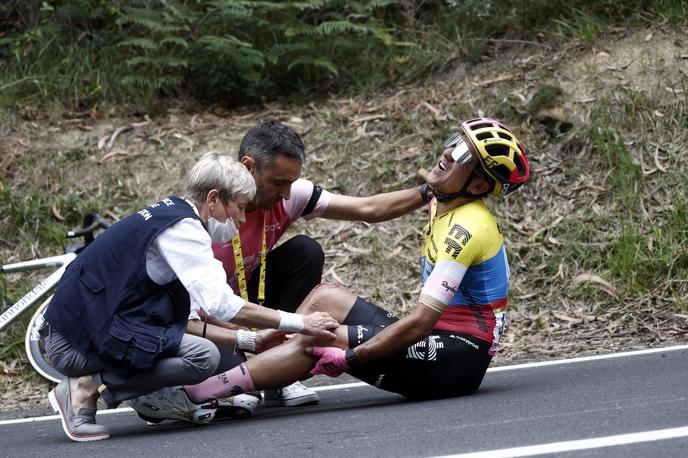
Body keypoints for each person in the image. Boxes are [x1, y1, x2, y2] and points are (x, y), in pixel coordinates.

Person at [156, 117, 530, 406]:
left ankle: (197, 393)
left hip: (458, 357)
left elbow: (419, 319)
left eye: (461, 155)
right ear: (248, 168)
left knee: (317, 334)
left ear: (478, 187)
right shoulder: (200, 219)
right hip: (202, 318)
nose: (448, 153)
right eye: (452, 143)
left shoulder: (465, 226)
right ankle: (268, 368)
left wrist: (349, 355)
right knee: (327, 299)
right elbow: (177, 312)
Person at [42, 152, 338, 442]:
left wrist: (253, 341)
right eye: (239, 206)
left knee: (209, 355)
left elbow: (188, 321)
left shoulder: (170, 215)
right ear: (213, 199)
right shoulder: (183, 231)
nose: (242, 219)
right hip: (73, 344)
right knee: (203, 358)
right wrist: (300, 323)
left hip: (87, 329)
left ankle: (101, 385)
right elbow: (221, 304)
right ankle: (87, 387)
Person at [189, 120, 433, 408]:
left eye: (291, 183)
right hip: (208, 313)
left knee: (305, 251)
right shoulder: (207, 212)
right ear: (248, 166)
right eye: (279, 183)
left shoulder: (291, 196)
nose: (287, 194)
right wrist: (243, 339)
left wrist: (430, 191)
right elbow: (190, 308)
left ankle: (284, 371)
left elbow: (369, 209)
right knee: (239, 395)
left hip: (251, 300)